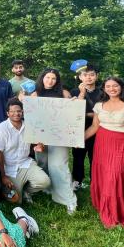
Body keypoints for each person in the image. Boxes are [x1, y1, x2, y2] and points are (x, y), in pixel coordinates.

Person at [85, 77, 124, 228]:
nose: (111, 89)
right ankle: (105, 205)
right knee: (105, 175)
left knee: (115, 176)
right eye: (108, 86)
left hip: (122, 143)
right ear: (104, 89)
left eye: (115, 86)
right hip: (102, 143)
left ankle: (115, 212)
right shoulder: (99, 105)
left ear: (121, 87)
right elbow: (94, 127)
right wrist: (78, 140)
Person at [31, 68, 77, 214]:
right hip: (41, 136)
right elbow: (31, 116)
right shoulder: (35, 94)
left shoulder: (63, 93)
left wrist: (73, 104)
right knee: (43, 163)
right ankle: (48, 189)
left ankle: (69, 200)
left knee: (59, 166)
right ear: (42, 78)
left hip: (59, 136)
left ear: (57, 80)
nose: (50, 81)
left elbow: (71, 115)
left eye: (53, 78)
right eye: (47, 77)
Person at [0, 99, 51, 204]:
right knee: (15, 200)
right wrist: (3, 176)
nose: (16, 113)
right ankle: (5, 188)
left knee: (45, 181)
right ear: (7, 113)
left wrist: (39, 146)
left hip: (25, 163)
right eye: (12, 111)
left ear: (23, 112)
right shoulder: (1, 129)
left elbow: (36, 143)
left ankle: (27, 191)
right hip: (9, 168)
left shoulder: (29, 126)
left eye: (19, 111)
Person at [70, 64, 102, 190]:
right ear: (80, 77)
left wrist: (86, 114)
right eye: (85, 75)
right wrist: (82, 94)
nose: (89, 77)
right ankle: (77, 181)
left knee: (95, 158)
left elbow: (105, 112)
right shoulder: (74, 92)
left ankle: (95, 182)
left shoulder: (102, 92)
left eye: (92, 74)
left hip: (98, 130)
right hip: (78, 129)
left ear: (96, 76)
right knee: (78, 157)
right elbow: (73, 112)